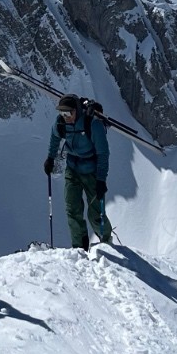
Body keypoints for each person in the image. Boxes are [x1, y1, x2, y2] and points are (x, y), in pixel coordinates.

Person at [44, 93, 110, 247]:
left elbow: (103, 154)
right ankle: (79, 246)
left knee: (95, 214)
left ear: (77, 111)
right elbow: (54, 138)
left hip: (91, 172)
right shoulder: (61, 123)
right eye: (62, 113)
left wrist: (101, 180)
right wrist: (50, 158)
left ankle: (106, 242)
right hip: (72, 169)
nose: (65, 116)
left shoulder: (92, 124)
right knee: (72, 209)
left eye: (68, 113)